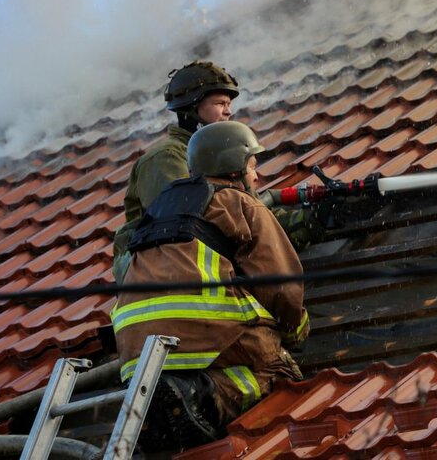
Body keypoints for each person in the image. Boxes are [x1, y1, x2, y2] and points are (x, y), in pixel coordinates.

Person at [111, 121, 309, 453]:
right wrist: (296, 330)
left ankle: (161, 416)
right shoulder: (241, 204)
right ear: (235, 167)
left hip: (134, 350)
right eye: (253, 166)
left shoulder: (159, 209)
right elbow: (280, 284)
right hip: (196, 326)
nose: (257, 177)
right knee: (278, 373)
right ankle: (201, 396)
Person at [112, 61, 318, 283]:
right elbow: (189, 221)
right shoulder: (166, 158)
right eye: (220, 103)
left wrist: (304, 221)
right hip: (165, 276)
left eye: (229, 104)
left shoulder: (215, 153)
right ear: (191, 108)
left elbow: (246, 211)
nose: (228, 111)